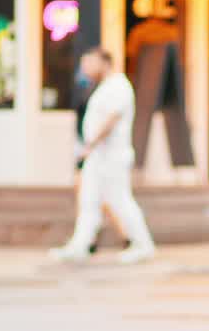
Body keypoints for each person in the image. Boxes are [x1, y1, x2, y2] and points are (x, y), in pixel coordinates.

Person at [49, 47, 156, 264]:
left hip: (111, 155)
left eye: (89, 63)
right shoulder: (105, 87)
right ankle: (80, 244)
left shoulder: (118, 86)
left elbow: (112, 118)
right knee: (89, 200)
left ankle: (143, 244)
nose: (85, 69)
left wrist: (91, 143)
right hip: (98, 156)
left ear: (104, 62)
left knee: (120, 200)